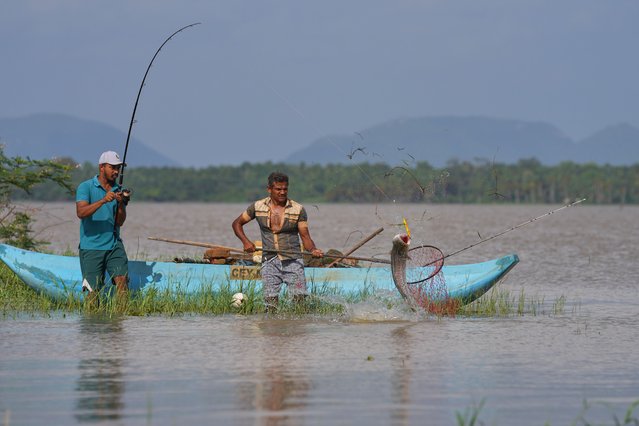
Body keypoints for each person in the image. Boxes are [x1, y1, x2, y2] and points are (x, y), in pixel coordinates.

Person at [232, 172, 323, 310]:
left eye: (285, 189)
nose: (282, 192)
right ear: (269, 189)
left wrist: (313, 250)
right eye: (278, 189)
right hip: (269, 261)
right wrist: (246, 242)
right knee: (270, 303)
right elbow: (236, 224)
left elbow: (305, 237)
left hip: (292, 260)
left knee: (300, 301)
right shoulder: (257, 207)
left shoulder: (298, 209)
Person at [76, 150, 130, 306]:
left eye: (118, 168)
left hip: (114, 244)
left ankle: (120, 322)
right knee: (92, 295)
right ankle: (93, 325)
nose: (115, 171)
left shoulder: (118, 190)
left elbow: (120, 222)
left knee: (122, 281)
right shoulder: (85, 187)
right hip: (91, 246)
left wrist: (121, 203)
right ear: (101, 167)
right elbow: (81, 212)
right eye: (112, 167)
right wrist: (103, 200)